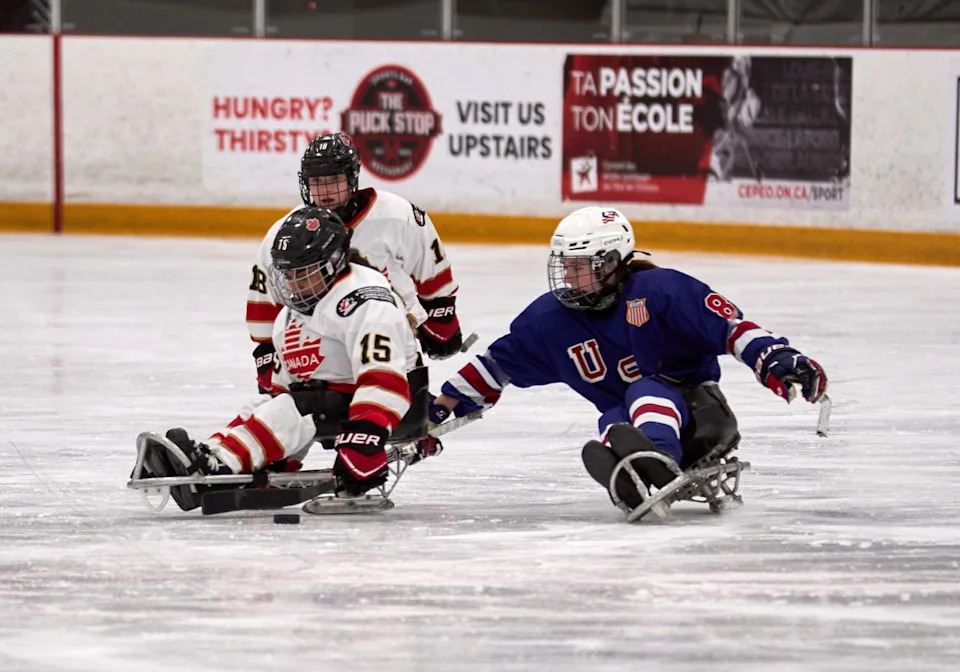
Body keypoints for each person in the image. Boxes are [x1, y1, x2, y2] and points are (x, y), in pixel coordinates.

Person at [430, 206, 828, 518]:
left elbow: (732, 330)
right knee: (614, 421)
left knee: (644, 390)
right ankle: (635, 467)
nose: (567, 278)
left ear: (609, 262)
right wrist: (440, 408)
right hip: (632, 419)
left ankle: (654, 458)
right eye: (565, 266)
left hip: (701, 416)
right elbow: (498, 366)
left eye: (579, 267)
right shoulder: (550, 321)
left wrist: (777, 359)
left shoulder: (662, 291)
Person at [144, 207, 425, 511]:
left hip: (393, 406)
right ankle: (214, 454)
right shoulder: (292, 314)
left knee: (291, 408)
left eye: (301, 273)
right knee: (264, 406)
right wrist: (275, 462)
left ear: (333, 264)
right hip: (332, 399)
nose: (292, 283)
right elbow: (282, 391)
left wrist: (365, 437)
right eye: (288, 273)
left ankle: (219, 465)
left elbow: (385, 378)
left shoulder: (366, 299)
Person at [247, 132, 463, 397]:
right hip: (317, 342)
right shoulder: (285, 233)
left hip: (385, 330)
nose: (325, 192)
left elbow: (430, 264)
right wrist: (267, 354)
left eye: (334, 181)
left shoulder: (397, 215)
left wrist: (442, 318)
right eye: (317, 182)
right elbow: (264, 299)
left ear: (352, 180)